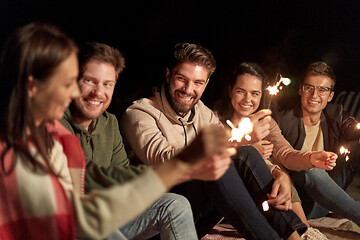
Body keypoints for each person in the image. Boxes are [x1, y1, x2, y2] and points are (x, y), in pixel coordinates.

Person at [0, 22, 234, 240]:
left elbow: (103, 176)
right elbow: (81, 219)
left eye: (108, 84)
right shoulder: (26, 144)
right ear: (32, 84)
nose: (74, 93)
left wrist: (183, 167)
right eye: (71, 81)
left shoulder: (64, 135)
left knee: (173, 203)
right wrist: (181, 165)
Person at [121, 42, 308, 239]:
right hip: (158, 220)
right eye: (181, 79)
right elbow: (163, 160)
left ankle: (293, 237)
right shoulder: (140, 113)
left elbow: (243, 155)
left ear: (206, 83)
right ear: (168, 76)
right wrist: (239, 136)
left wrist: (278, 174)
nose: (188, 89)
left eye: (198, 83)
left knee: (244, 154)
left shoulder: (203, 112)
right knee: (226, 158)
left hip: (195, 215)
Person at [59, 41, 233, 240]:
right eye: (89, 81)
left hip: (110, 215)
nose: (98, 92)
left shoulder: (109, 123)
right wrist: (187, 163)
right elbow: (80, 181)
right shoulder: (55, 122)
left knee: (175, 204)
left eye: (107, 84)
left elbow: (124, 177)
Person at [214, 62, 332, 239]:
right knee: (261, 162)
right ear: (230, 90)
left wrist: (311, 158)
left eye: (255, 93)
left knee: (280, 172)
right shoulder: (214, 119)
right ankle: (299, 230)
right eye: (241, 91)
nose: (248, 100)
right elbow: (213, 158)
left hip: (265, 197)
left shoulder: (266, 122)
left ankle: (303, 230)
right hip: (226, 197)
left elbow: (285, 153)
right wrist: (248, 144)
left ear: (261, 95)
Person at [273, 61, 360, 225]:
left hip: (331, 188)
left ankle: (337, 204)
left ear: (330, 96)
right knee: (311, 169)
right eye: (309, 88)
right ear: (300, 89)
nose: (314, 95)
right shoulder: (284, 120)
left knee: (357, 147)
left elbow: (352, 128)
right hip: (301, 199)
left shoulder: (336, 113)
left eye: (322, 90)